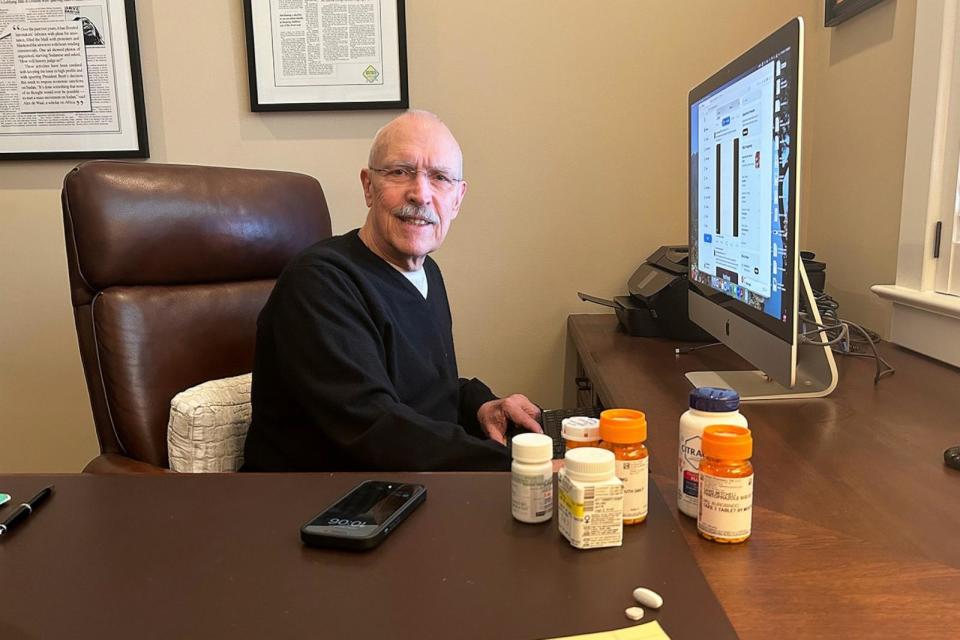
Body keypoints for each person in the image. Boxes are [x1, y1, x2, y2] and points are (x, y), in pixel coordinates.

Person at [242, 110, 543, 471]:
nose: (420, 193)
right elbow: (375, 428)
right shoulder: (320, 283)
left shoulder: (426, 271)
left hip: (403, 488)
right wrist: (519, 466)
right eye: (400, 172)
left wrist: (481, 405)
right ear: (369, 186)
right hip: (321, 505)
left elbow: (421, 392)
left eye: (440, 178)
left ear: (458, 199)